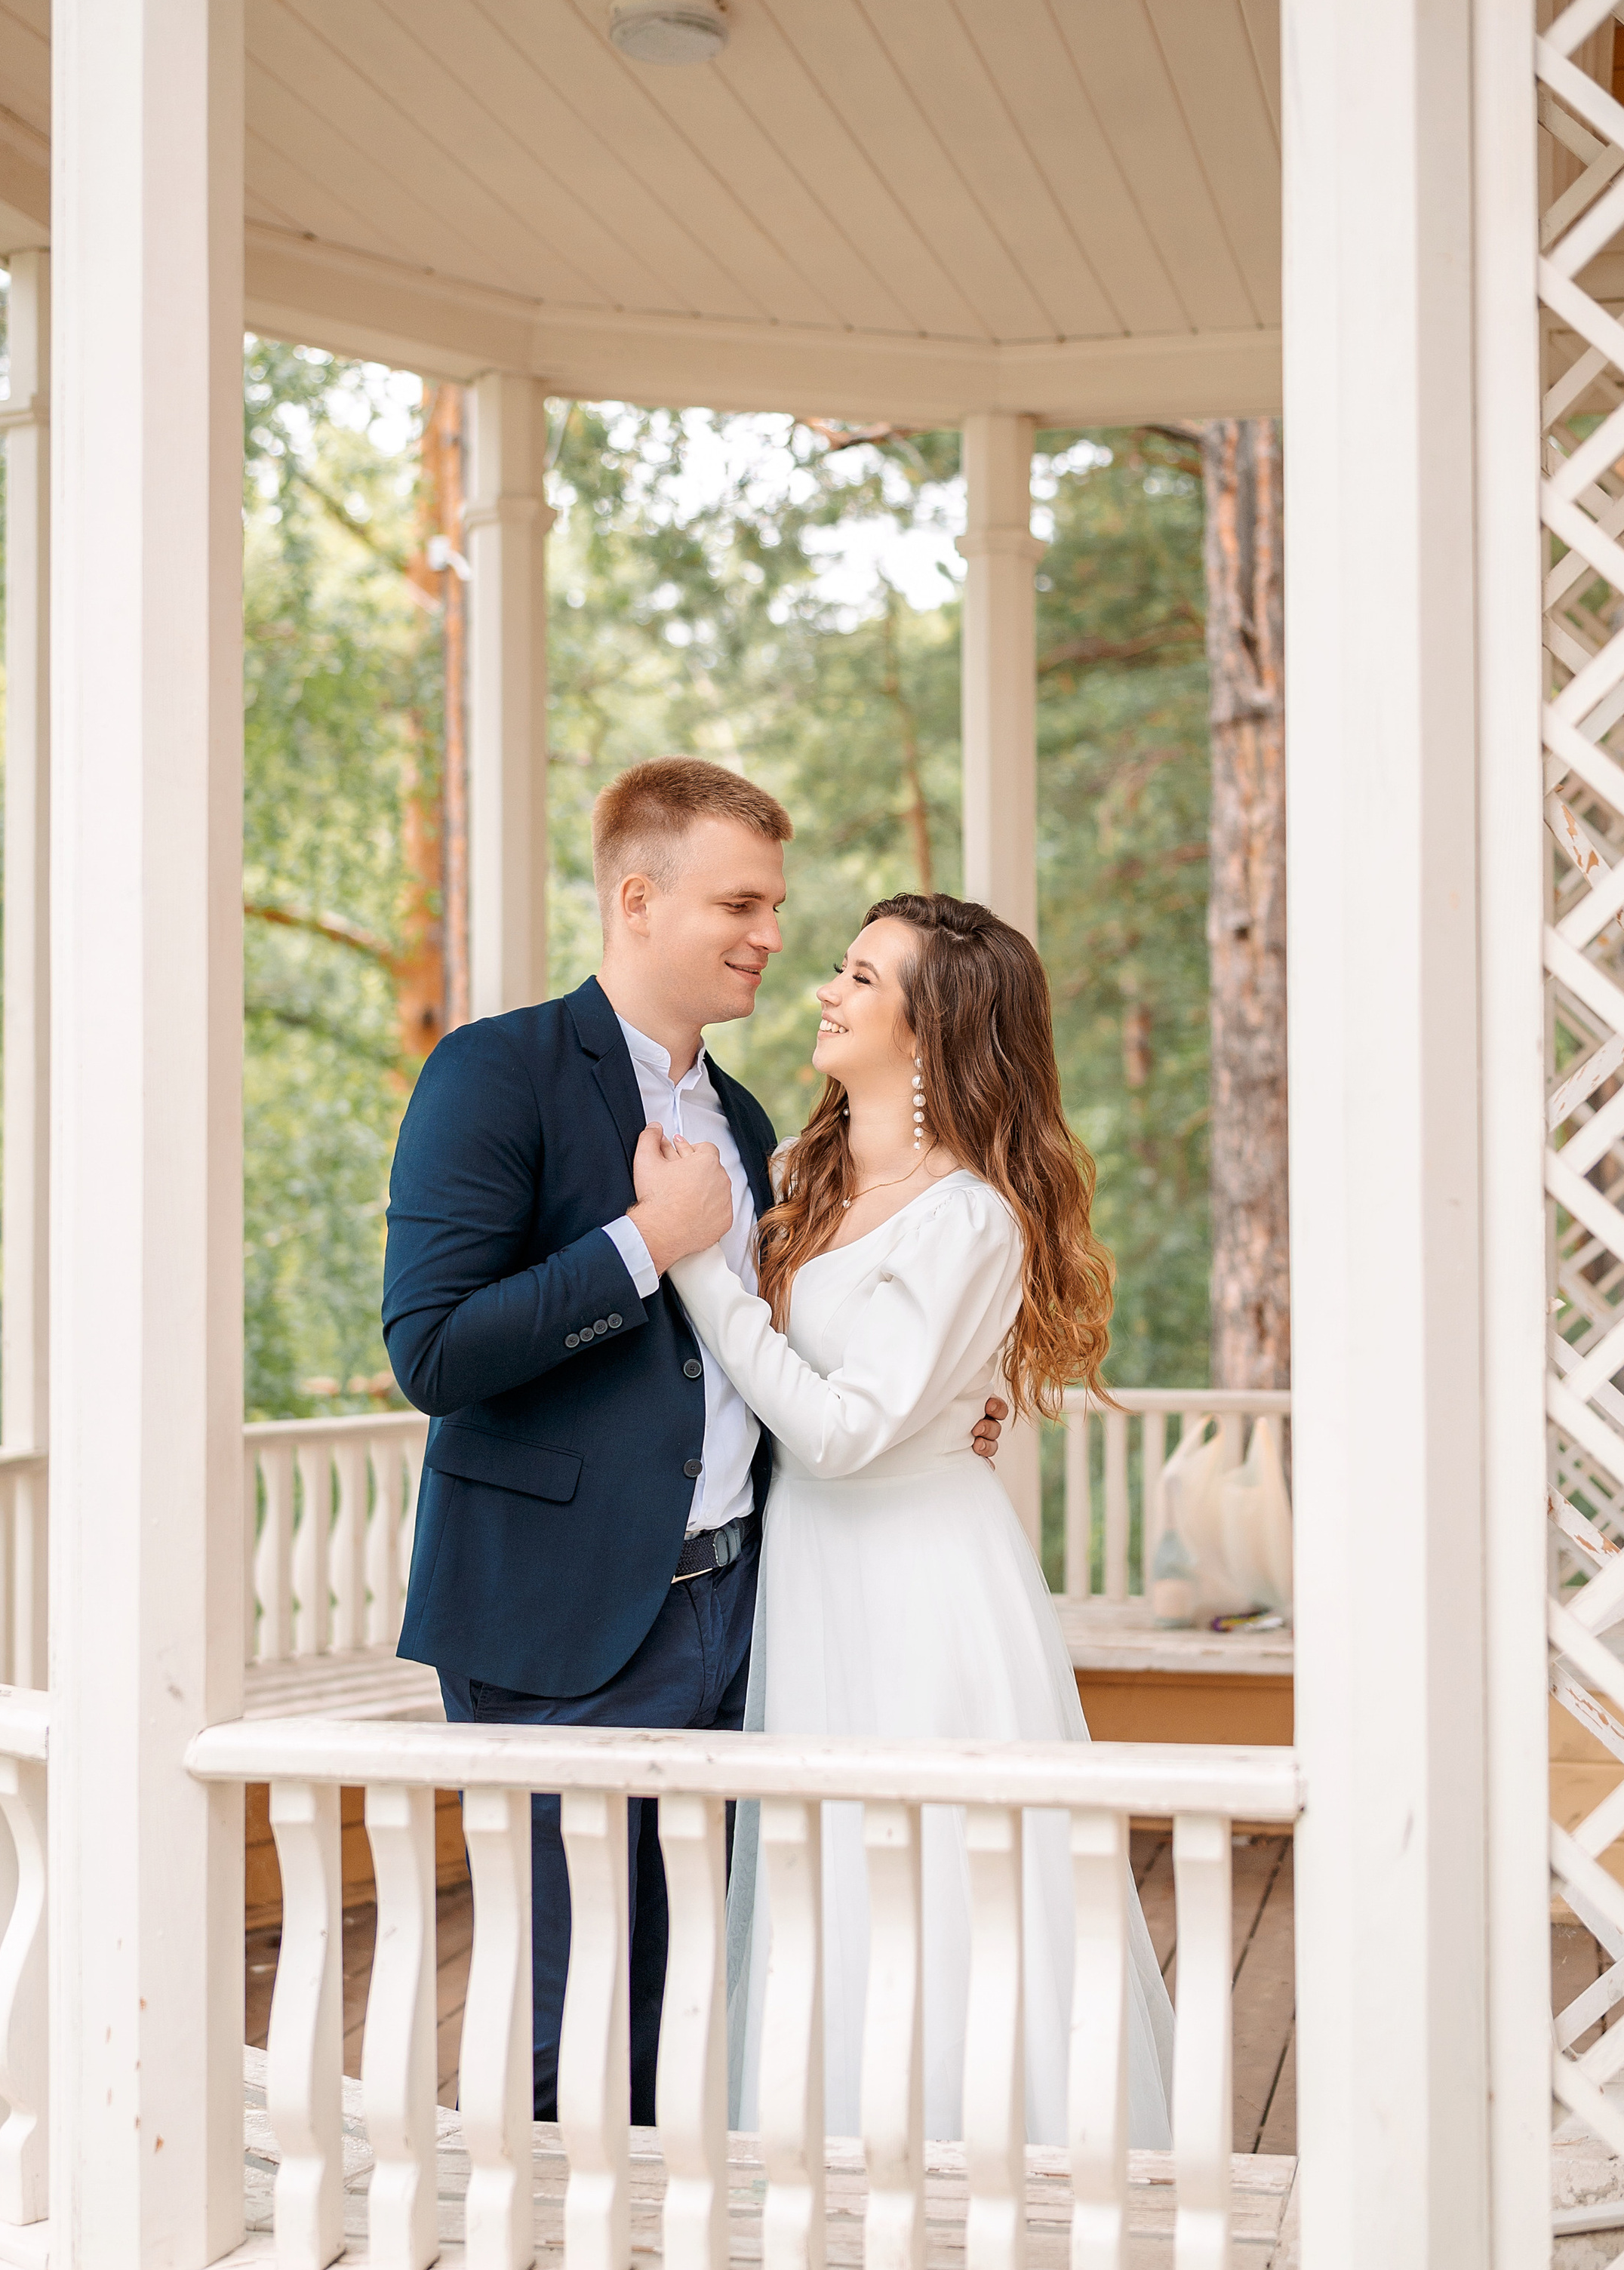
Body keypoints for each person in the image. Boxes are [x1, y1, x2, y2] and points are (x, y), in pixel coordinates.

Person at [382, 764, 1004, 2122]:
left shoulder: (758, 1122)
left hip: (745, 1611)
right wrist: (638, 1249)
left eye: (777, 905)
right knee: (566, 2000)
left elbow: (811, 1345)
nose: (771, 936)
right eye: (740, 902)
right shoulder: (498, 1073)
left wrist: (957, 1403)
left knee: (696, 1996)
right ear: (638, 898)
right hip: (561, 1618)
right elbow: (431, 1353)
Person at [644, 891, 1175, 2145]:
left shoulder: (971, 1215)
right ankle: (824, 2161)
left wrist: (695, 1272)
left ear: (935, 1032)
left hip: (923, 1587)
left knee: (936, 1880)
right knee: (825, 1881)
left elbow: (840, 1427)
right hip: (816, 1570)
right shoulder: (794, 1176)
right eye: (841, 968)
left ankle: (976, 2167)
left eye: (863, 978)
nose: (825, 990)